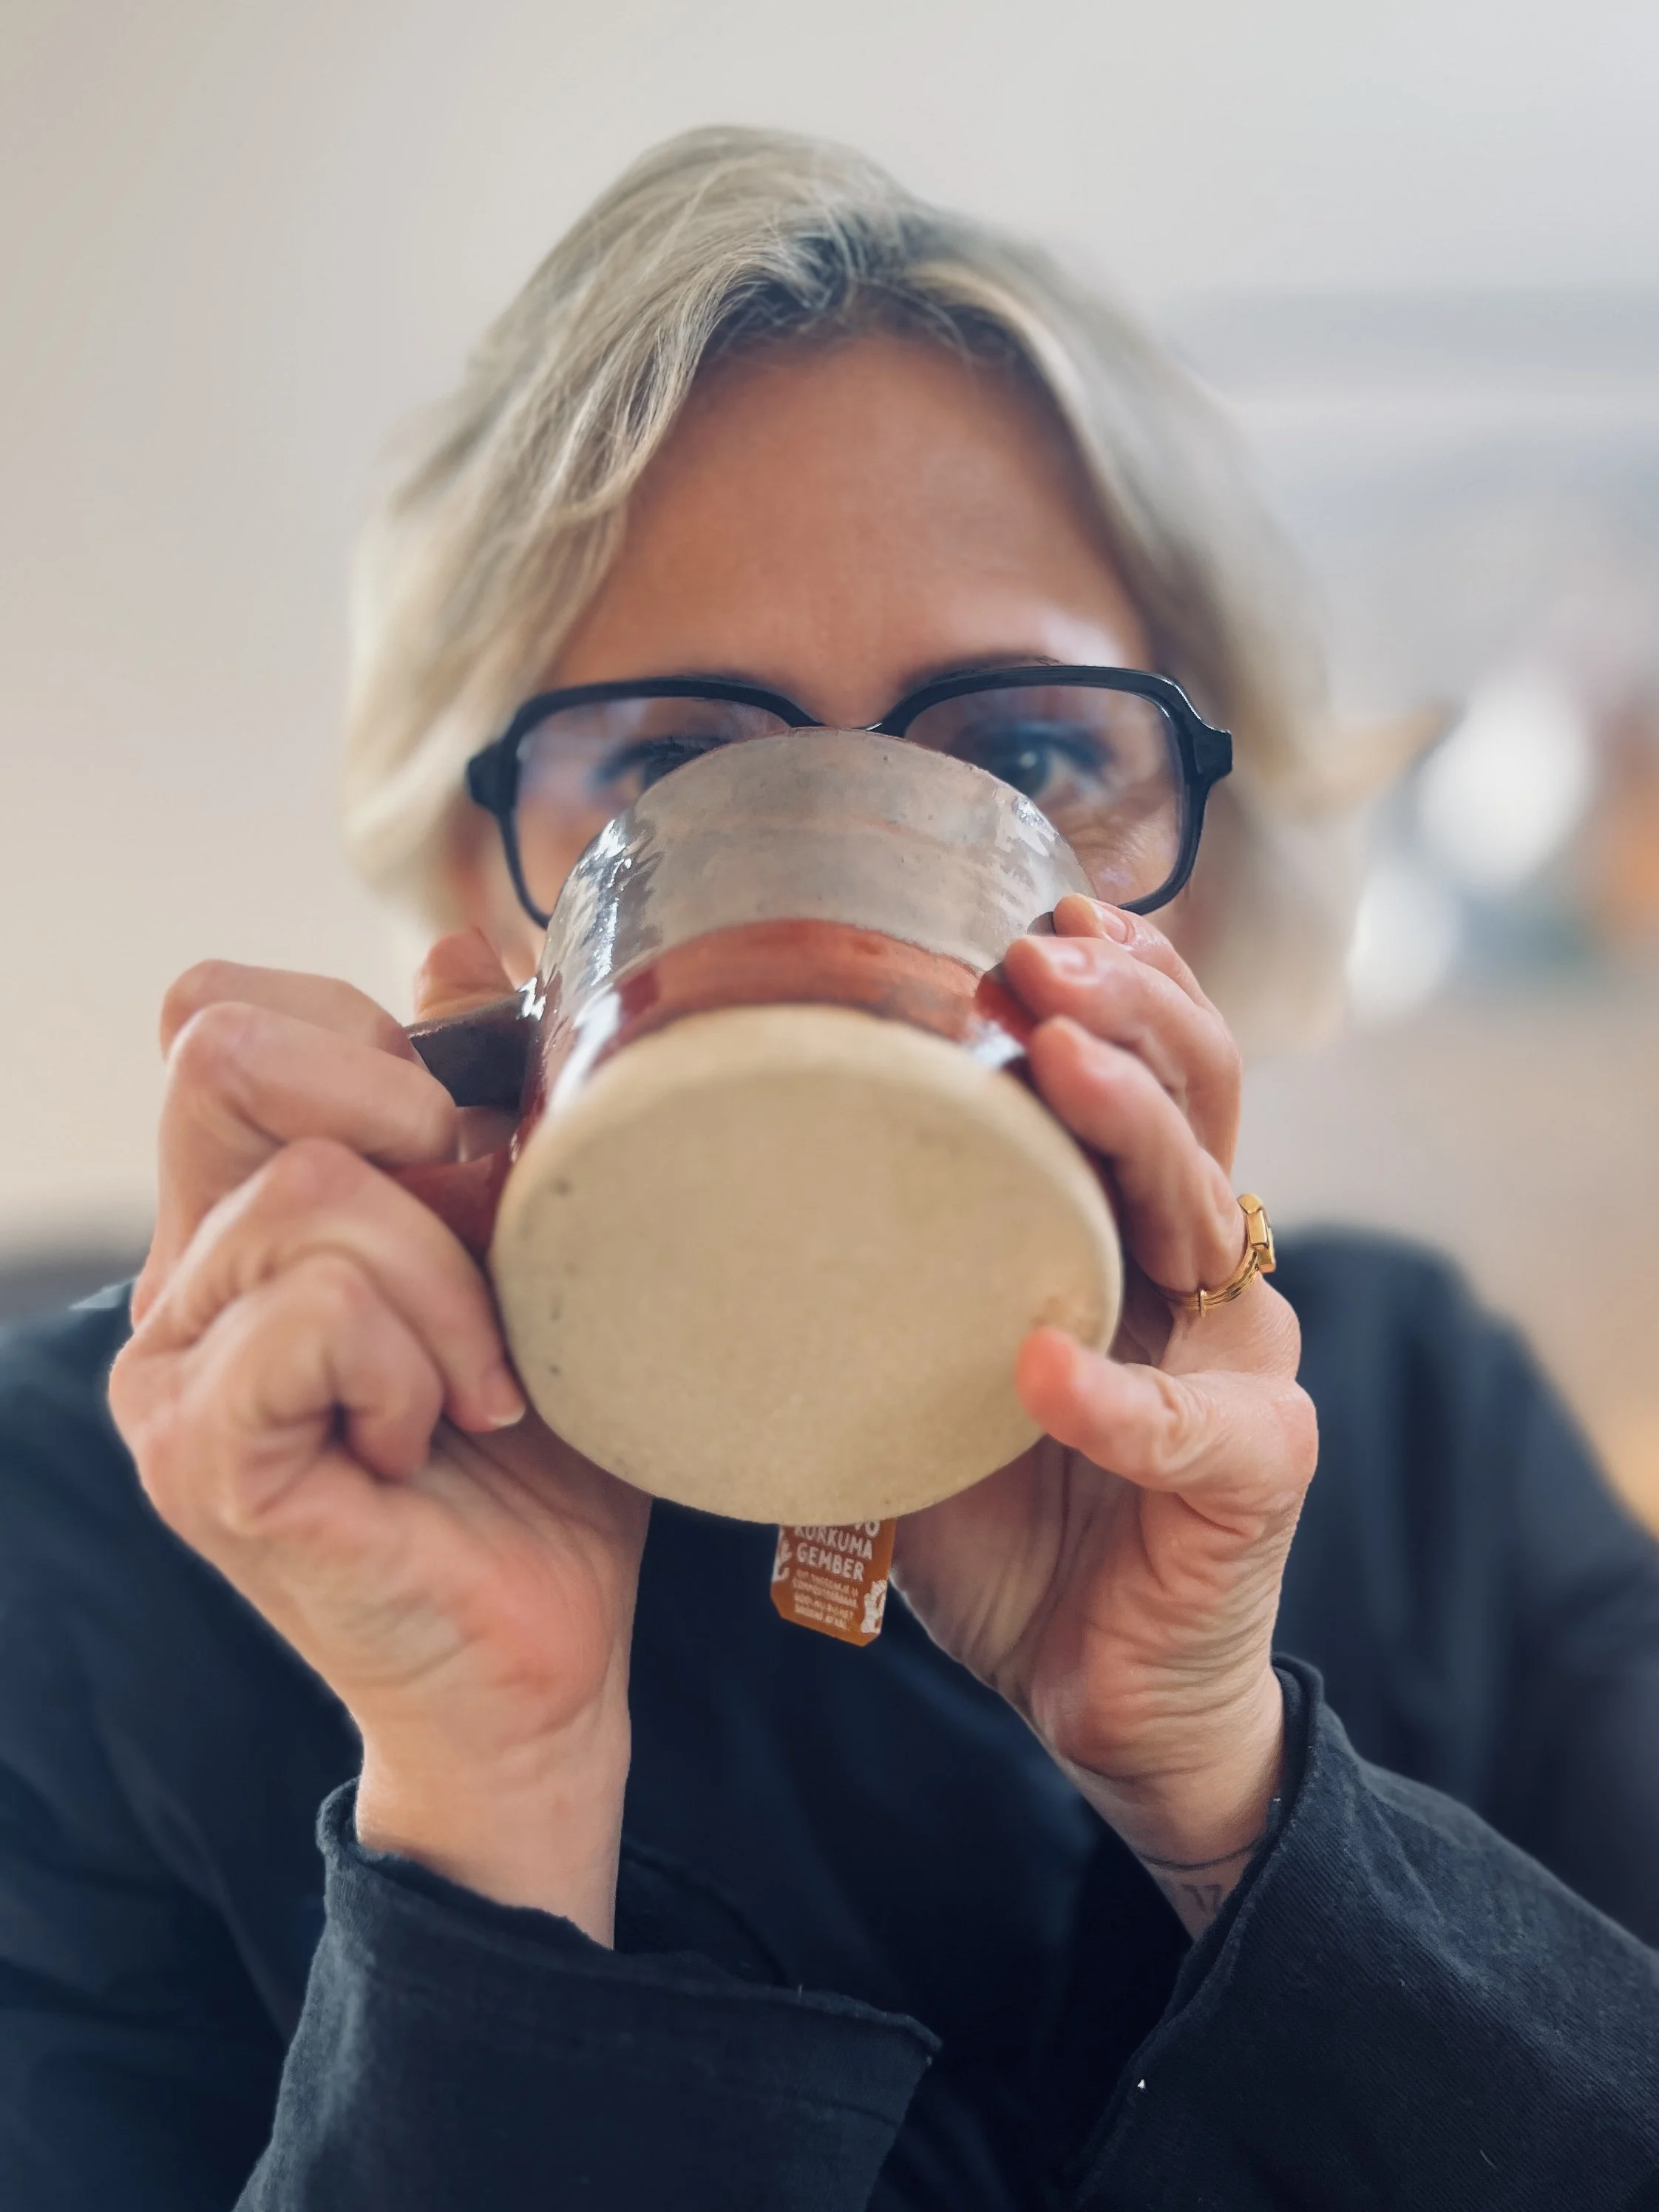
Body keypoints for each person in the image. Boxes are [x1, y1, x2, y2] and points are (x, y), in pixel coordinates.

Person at [2, 128, 1658, 2212]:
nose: (848, 899)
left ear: (1206, 883)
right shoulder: (107, 1525)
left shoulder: (1415, 1434)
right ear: (478, 888)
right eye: (673, 766)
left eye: (1027, 759)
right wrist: (486, 1808)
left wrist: (1223, 1773)